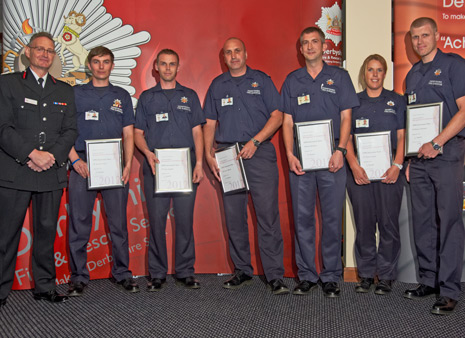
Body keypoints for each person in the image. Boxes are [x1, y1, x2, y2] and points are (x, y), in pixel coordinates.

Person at [203, 38, 288, 295]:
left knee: (267, 217)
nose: (233, 55)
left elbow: (278, 115)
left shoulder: (261, 81)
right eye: (228, 52)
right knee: (234, 217)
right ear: (224, 58)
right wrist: (208, 153)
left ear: (245, 53)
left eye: (237, 50)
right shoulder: (217, 86)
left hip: (259, 153)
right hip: (228, 154)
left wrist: (255, 141)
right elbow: (209, 122)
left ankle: (275, 276)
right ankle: (242, 270)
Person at [0, 32, 77, 306]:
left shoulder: (65, 90)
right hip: (15, 172)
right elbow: (3, 128)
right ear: (28, 52)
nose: (45, 54)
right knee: (6, 237)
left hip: (50, 173)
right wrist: (31, 154)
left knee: (46, 235)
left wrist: (50, 157)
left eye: (49, 50)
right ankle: (1, 290)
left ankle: (44, 287)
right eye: (39, 49)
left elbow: (70, 131)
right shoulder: (7, 84)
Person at [281, 27, 359, 298]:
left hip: (332, 160)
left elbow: (347, 117)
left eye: (315, 42)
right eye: (305, 43)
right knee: (302, 219)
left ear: (324, 46)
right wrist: (290, 155)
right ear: (300, 49)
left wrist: (341, 150)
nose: (310, 47)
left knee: (331, 218)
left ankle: (331, 276)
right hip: (301, 160)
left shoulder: (340, 77)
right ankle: (307, 276)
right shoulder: (292, 80)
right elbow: (287, 122)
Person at [403, 17, 465, 315]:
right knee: (423, 221)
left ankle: (450, 289)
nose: (420, 41)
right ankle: (429, 280)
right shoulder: (412, 76)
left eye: (425, 35)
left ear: (437, 35)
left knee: (449, 221)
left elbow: (464, 111)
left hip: (447, 154)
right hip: (419, 161)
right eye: (415, 37)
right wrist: (409, 157)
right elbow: (412, 122)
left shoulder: (455, 65)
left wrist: (437, 142)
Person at [67, 46, 138, 296]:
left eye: (106, 62)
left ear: (112, 65)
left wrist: (127, 164)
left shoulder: (122, 95)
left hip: (113, 164)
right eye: (96, 62)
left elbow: (128, 132)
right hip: (82, 164)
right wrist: (75, 160)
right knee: (79, 224)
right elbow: (64, 131)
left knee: (118, 223)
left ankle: (122, 274)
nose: (100, 66)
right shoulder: (74, 93)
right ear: (89, 65)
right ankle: (78, 276)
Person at [134, 49, 204, 290]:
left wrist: (199, 163)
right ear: (156, 66)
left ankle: (185, 271)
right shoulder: (146, 98)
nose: (167, 68)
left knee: (185, 221)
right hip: (156, 168)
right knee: (156, 222)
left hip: (185, 167)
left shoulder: (190, 96)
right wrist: (147, 153)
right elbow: (137, 134)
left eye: (171, 64)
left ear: (177, 67)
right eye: (163, 64)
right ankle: (157, 273)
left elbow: (198, 131)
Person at [345, 54, 406, 295]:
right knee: (364, 224)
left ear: (385, 73)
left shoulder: (397, 101)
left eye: (379, 70)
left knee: (389, 224)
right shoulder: (353, 102)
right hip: (359, 171)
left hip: (389, 170)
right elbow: (346, 138)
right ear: (364, 73)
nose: (375, 74)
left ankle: (387, 276)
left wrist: (397, 165)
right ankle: (367, 274)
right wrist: (354, 165)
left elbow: (402, 136)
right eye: (370, 70)